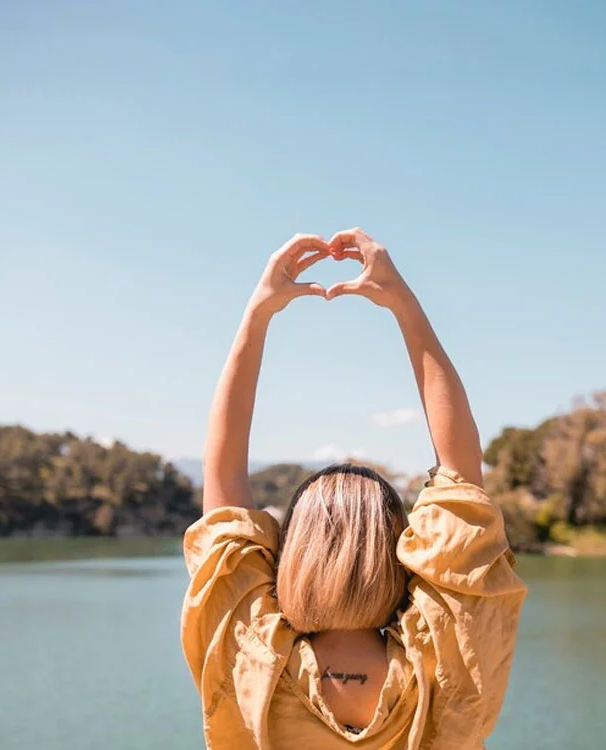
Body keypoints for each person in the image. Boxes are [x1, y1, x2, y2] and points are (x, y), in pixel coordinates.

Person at [181, 228, 527, 749]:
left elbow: (223, 482)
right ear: (398, 555)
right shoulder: (448, 660)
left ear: (293, 554)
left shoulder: (248, 656)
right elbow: (462, 472)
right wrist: (404, 305)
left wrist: (257, 315)